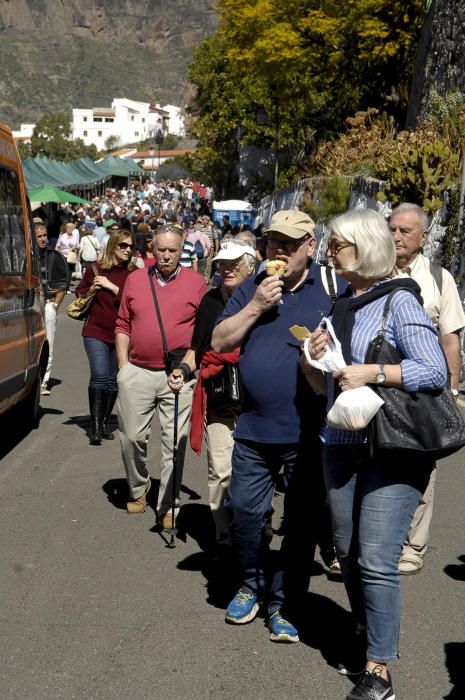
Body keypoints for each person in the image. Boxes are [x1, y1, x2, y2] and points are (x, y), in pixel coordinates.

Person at [303, 208, 447, 700]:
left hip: (394, 447)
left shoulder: (400, 303)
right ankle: (367, 629)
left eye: (337, 244)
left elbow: (434, 371)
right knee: (347, 553)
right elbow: (324, 385)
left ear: (362, 249)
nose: (328, 252)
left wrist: (373, 373)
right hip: (341, 445)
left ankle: (379, 670)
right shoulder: (341, 303)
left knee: (378, 559)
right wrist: (316, 358)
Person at [211, 210, 344, 643]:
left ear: (311, 244)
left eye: (289, 243)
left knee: (302, 524)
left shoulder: (331, 287)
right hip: (252, 428)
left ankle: (283, 603)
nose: (279, 250)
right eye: (273, 242)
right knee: (246, 514)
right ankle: (251, 583)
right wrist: (256, 306)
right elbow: (219, 340)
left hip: (307, 432)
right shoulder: (252, 287)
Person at [389, 202, 465, 575]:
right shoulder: (374, 271)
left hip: (423, 391)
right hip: (381, 384)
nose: (397, 236)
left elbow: (450, 337)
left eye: (405, 231)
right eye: (392, 229)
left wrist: (451, 388)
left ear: (422, 236)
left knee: (423, 466)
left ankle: (412, 546)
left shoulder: (439, 278)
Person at [115, 225, 208, 525]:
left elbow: (202, 337)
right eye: (161, 250)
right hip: (137, 372)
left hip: (177, 376)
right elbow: (122, 325)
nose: (167, 256)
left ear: (182, 251)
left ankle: (169, 503)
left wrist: (188, 367)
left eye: (173, 250)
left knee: (174, 442)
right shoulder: (135, 279)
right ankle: (138, 488)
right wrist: (123, 369)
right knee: (130, 438)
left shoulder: (196, 283)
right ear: (152, 250)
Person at [168, 240, 256, 549]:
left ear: (250, 266)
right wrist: (183, 370)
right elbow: (197, 350)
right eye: (221, 263)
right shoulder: (209, 303)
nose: (226, 269)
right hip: (219, 398)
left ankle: (255, 527)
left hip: (256, 401)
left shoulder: (266, 300)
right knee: (220, 469)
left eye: (234, 263)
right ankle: (224, 535)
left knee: (254, 472)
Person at [75, 230, 136, 445]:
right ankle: (95, 426)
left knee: (114, 381)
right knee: (100, 375)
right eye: (123, 246)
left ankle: (104, 420)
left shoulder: (134, 274)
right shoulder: (96, 268)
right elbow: (79, 292)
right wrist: (91, 287)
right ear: (113, 247)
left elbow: (135, 300)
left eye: (130, 246)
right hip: (95, 331)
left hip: (122, 334)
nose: (128, 250)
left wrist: (111, 287)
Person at [35, 223, 67, 396]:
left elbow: (62, 282)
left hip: (48, 304)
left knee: (49, 343)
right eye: (39, 236)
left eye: (44, 235)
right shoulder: (25, 256)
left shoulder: (54, 256)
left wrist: (55, 305)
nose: (43, 239)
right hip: (31, 305)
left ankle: (44, 382)